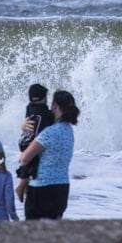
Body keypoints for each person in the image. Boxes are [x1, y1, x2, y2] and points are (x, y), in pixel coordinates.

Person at [18, 89, 80, 220]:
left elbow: (24, 159)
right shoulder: (69, 131)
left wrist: (23, 131)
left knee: (33, 234)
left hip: (41, 189)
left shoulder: (49, 133)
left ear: (55, 105)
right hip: (62, 188)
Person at [15, 83, 55, 202]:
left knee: (29, 163)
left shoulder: (29, 108)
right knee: (33, 161)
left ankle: (25, 186)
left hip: (24, 140)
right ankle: (22, 186)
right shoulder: (45, 113)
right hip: (33, 141)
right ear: (45, 98)